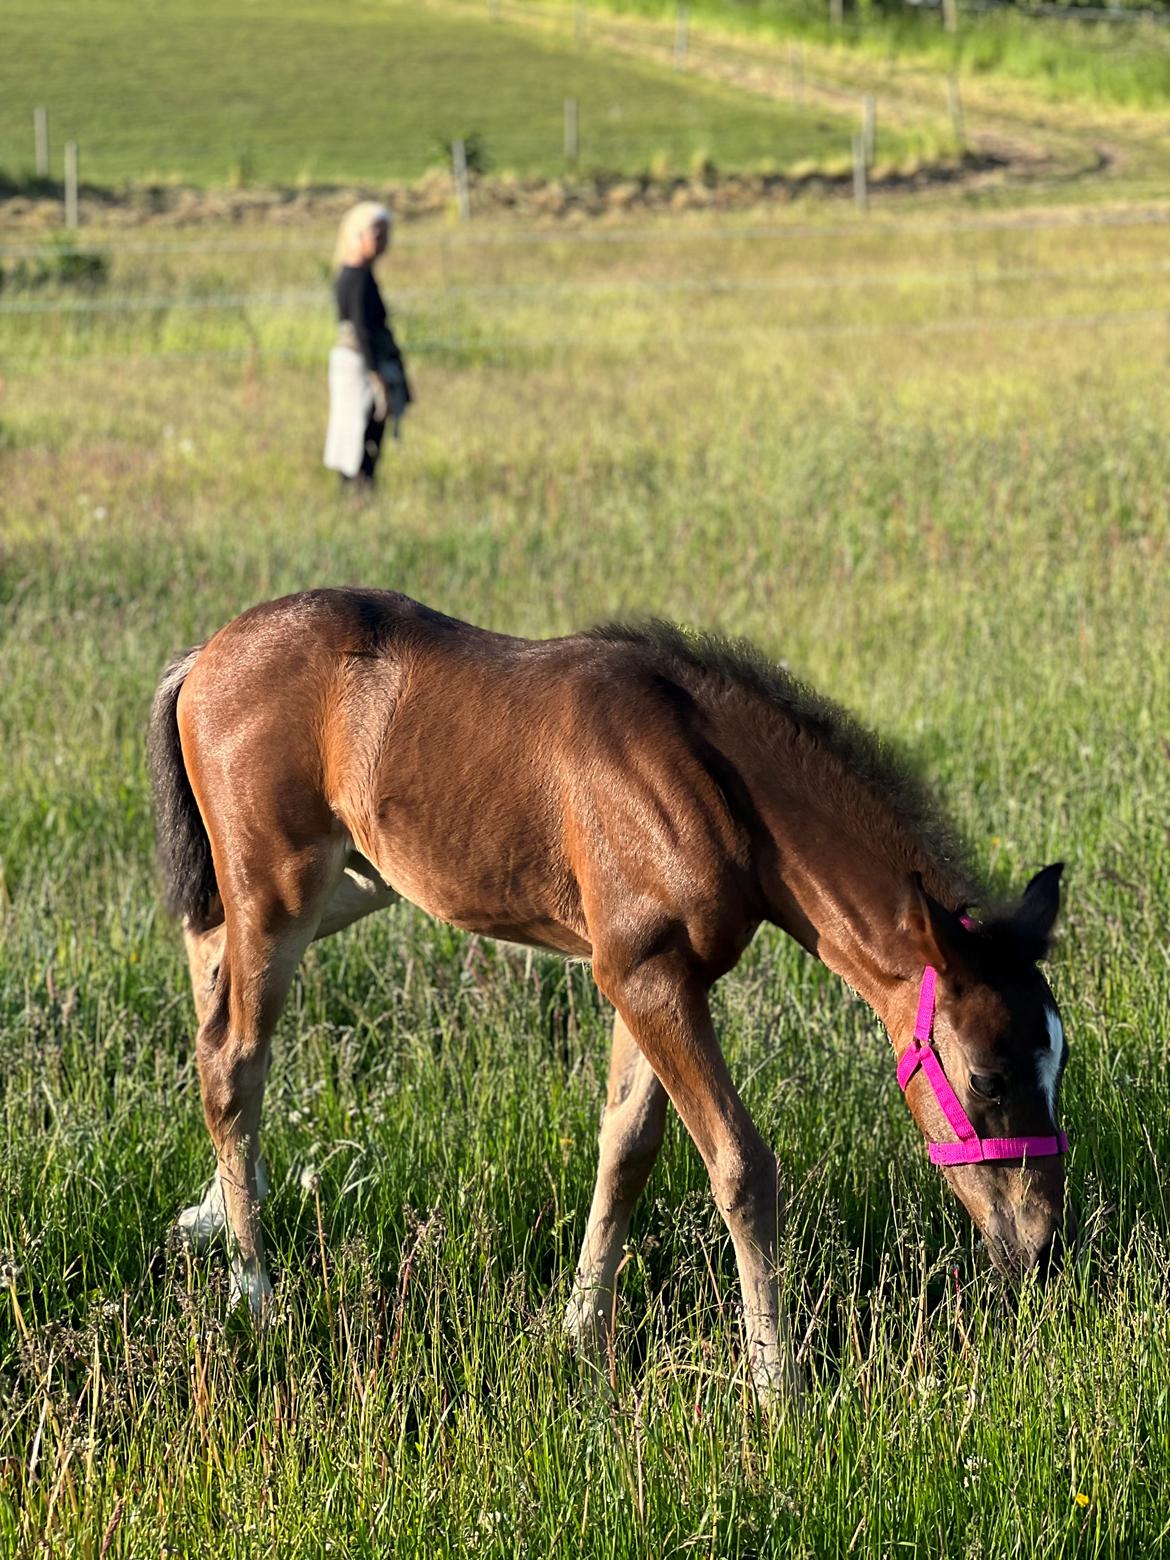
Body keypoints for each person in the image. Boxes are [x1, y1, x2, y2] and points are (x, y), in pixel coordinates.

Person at [323, 201, 412, 489]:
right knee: (362, 428)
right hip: (360, 363)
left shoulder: (354, 273)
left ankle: (358, 487)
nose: (384, 242)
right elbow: (362, 328)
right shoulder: (357, 277)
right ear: (357, 235)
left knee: (357, 428)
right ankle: (359, 488)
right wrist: (376, 374)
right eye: (378, 234)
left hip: (358, 360)